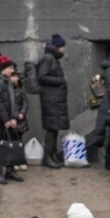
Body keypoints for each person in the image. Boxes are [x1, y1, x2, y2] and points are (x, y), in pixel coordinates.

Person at [0, 53, 27, 185]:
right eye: (10, 68)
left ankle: (10, 170)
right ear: (3, 68)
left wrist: (14, 118)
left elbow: (13, 101)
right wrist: (5, 120)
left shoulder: (7, 81)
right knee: (0, 144)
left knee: (12, 142)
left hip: (10, 120)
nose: (12, 70)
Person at [36, 34, 69, 169]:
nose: (64, 50)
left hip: (55, 100)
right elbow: (42, 77)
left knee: (54, 129)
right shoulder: (48, 58)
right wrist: (61, 81)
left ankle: (53, 156)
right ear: (57, 47)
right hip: (51, 100)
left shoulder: (53, 59)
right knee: (51, 129)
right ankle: (47, 158)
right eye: (63, 47)